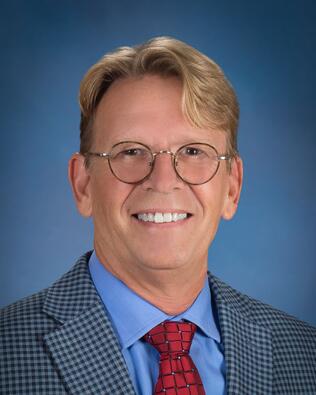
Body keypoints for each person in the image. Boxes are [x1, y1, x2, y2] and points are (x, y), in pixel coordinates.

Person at [1, 37, 315, 395]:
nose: (163, 181)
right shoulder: (7, 353)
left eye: (194, 151)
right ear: (83, 184)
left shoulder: (305, 354)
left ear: (232, 187)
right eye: (131, 151)